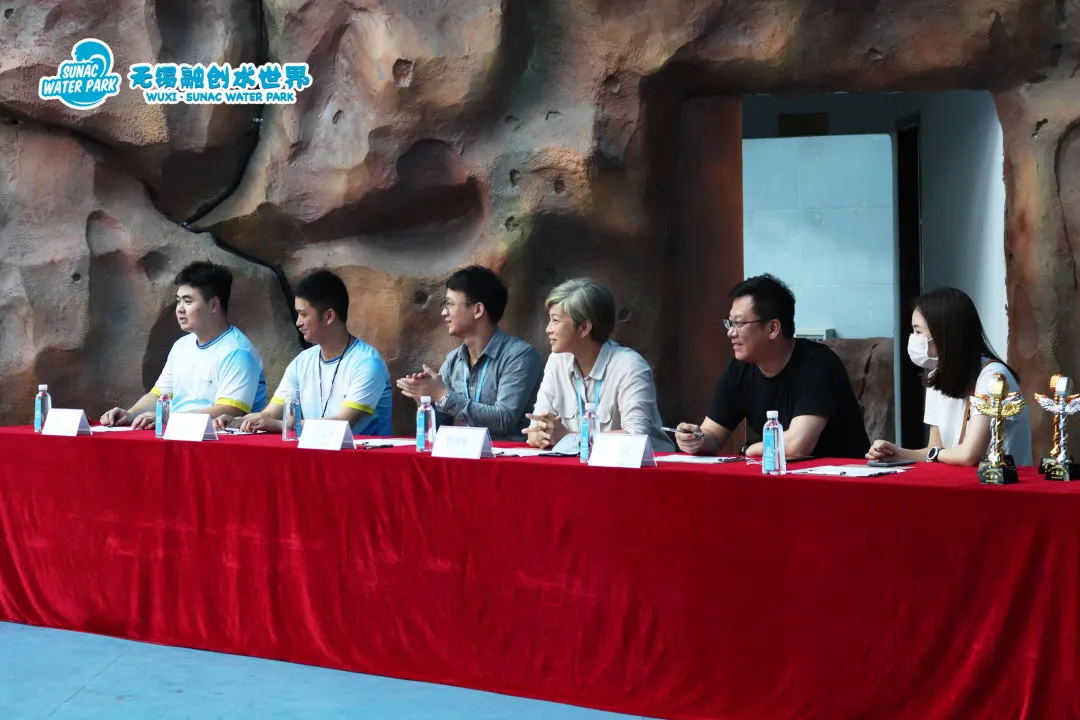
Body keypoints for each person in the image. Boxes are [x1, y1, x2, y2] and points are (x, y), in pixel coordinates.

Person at [674, 274, 869, 458]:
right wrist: (696, 439)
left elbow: (797, 446)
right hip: (778, 475)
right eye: (730, 323)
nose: (730, 333)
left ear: (773, 328)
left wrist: (748, 449)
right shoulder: (740, 368)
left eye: (739, 324)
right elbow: (713, 434)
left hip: (838, 477)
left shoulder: (819, 364)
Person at [866, 287, 1032, 466]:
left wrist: (935, 453)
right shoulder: (937, 375)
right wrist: (896, 453)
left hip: (999, 481)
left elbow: (968, 455)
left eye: (918, 331)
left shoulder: (994, 377)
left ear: (944, 333)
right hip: (962, 479)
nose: (913, 338)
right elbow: (935, 449)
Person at [219, 269, 392, 435]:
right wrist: (236, 421)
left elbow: (342, 423)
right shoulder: (302, 361)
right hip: (314, 451)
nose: (298, 322)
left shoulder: (367, 363)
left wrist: (280, 425)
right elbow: (270, 414)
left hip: (360, 454)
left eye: (303, 314)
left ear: (329, 316)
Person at [100, 261, 267, 429]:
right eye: (178, 301)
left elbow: (230, 411)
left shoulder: (238, 351)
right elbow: (158, 396)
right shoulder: (181, 346)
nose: (179, 309)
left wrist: (167, 418)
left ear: (214, 305)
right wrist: (130, 414)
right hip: (176, 432)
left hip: (216, 439)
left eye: (187, 301)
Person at [524, 277, 674, 452]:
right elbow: (537, 426)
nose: (548, 329)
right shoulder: (557, 361)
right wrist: (540, 434)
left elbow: (636, 437)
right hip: (579, 464)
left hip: (644, 466)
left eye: (555, 320)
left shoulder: (630, 366)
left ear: (584, 328)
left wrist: (569, 437)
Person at [396, 265, 542, 441]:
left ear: (478, 310)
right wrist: (426, 401)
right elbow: (442, 428)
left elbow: (504, 419)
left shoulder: (519, 356)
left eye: (449, 304)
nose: (444, 312)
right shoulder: (453, 360)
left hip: (505, 456)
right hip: (462, 454)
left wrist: (443, 395)